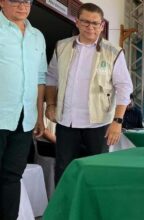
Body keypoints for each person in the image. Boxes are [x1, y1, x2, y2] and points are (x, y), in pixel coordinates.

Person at [45, 3, 133, 183]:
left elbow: (124, 87)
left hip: (98, 124)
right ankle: (65, 209)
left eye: (95, 23)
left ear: (102, 26)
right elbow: (51, 78)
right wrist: (51, 104)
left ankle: (94, 210)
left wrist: (117, 122)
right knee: (64, 170)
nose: (90, 27)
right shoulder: (61, 47)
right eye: (85, 22)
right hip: (66, 122)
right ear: (77, 22)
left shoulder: (113, 52)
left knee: (98, 172)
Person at [0, 0, 47, 219]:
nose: (22, 6)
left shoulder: (37, 36)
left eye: (26, 1)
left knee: (12, 175)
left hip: (25, 118)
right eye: (15, 1)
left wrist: (39, 116)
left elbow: (40, 79)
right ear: (2, 2)